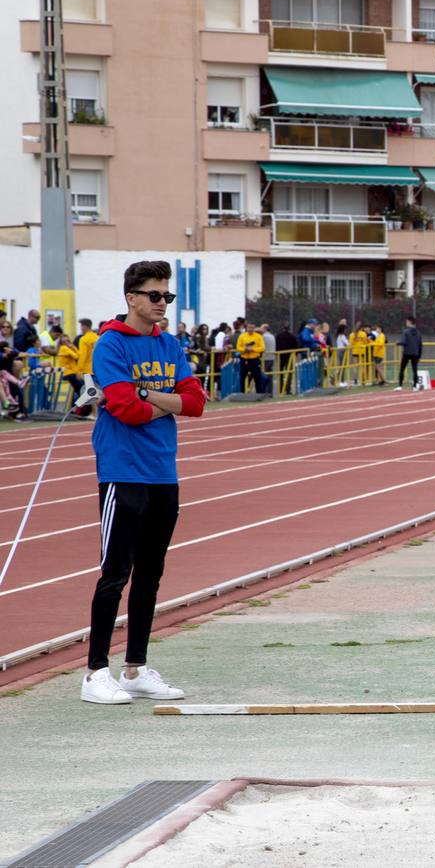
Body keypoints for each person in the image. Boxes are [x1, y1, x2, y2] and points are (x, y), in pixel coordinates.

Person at [81, 260, 206, 705]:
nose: (162, 304)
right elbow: (124, 411)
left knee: (150, 575)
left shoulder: (170, 344)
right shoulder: (109, 345)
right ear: (132, 297)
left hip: (162, 471)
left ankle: (134, 667)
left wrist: (148, 394)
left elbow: (196, 403)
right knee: (115, 573)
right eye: (155, 296)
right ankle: (96, 672)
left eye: (167, 297)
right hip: (121, 471)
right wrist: (165, 402)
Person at [53, 325, 82, 406]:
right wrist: (72, 347)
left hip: (72, 372)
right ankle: (76, 407)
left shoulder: (67, 348)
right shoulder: (64, 348)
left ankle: (75, 407)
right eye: (65, 341)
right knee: (80, 389)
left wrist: (73, 347)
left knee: (78, 389)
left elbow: (79, 355)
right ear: (62, 342)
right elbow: (77, 356)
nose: (67, 342)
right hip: (68, 373)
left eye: (68, 341)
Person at [235, 321, 267, 393]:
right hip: (244, 358)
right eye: (249, 327)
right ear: (246, 328)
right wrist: (244, 349)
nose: (250, 329)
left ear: (254, 328)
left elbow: (262, 348)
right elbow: (238, 347)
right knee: (243, 376)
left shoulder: (258, 336)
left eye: (252, 328)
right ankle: (242, 393)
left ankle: (259, 393)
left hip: (254, 359)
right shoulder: (242, 336)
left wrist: (253, 349)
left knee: (257, 376)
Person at [397, 317, 423, 391]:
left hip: (407, 352)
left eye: (407, 322)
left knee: (402, 369)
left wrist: (398, 343)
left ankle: (400, 386)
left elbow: (403, 342)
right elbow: (420, 345)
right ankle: (415, 386)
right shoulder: (418, 333)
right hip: (415, 353)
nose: (406, 323)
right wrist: (419, 356)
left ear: (409, 322)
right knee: (415, 370)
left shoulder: (406, 332)